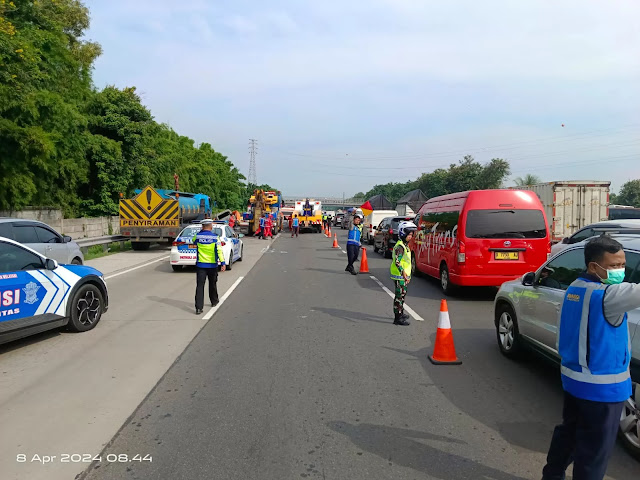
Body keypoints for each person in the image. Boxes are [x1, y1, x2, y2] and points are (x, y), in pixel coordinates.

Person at [542, 235, 640, 480]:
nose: (620, 270)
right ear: (593, 266)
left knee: (570, 434)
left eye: (622, 264)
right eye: (614, 265)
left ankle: (552, 475)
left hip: (574, 382)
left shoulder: (576, 287)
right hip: (604, 390)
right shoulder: (609, 296)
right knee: (594, 453)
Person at [193, 219, 226, 315]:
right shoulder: (216, 237)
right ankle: (214, 301)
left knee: (200, 286)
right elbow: (219, 250)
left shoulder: (197, 236)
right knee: (212, 284)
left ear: (202, 226)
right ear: (211, 227)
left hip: (201, 265)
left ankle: (198, 308)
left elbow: (194, 241)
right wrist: (223, 263)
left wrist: (201, 232)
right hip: (212, 265)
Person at [390, 221, 417, 326]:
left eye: (411, 235)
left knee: (402, 295)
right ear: (402, 233)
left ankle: (400, 313)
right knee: (399, 296)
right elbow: (397, 261)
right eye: (408, 234)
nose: (410, 237)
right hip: (399, 275)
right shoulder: (400, 247)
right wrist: (403, 273)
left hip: (403, 276)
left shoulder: (404, 245)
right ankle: (397, 318)